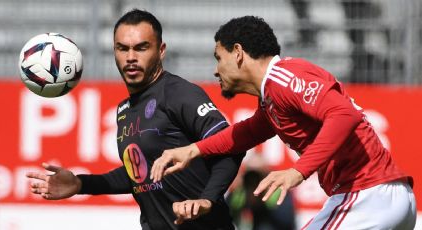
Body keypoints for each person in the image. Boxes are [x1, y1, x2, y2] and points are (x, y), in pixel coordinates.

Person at [150, 16, 417, 229]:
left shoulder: (284, 78)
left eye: (219, 58)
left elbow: (345, 115)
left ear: (238, 53)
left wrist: (297, 171)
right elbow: (246, 132)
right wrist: (193, 150)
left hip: (368, 196)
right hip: (388, 197)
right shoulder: (272, 96)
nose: (215, 69)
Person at [26, 9, 244, 230]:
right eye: (123, 48)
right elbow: (139, 174)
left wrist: (208, 198)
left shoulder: (179, 93)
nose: (131, 57)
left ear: (161, 51)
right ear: (114, 51)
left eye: (141, 48)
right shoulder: (124, 109)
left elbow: (230, 144)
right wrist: (81, 183)